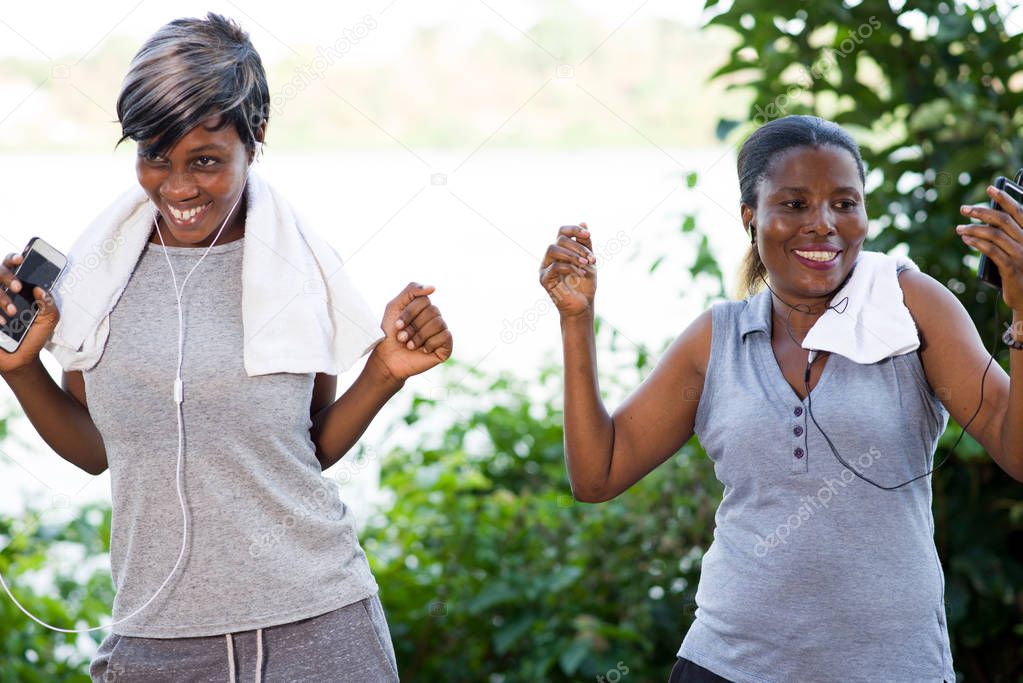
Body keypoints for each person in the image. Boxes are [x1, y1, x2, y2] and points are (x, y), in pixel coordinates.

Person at [0, 13, 452, 682]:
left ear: (255, 138)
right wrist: (18, 370)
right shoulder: (98, 275)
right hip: (155, 643)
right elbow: (100, 451)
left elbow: (308, 449)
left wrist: (384, 370)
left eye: (205, 161)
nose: (177, 187)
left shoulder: (298, 268)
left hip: (320, 632)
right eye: (155, 156)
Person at [539, 114, 1022, 682]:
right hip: (729, 666)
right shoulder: (718, 338)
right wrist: (577, 320)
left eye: (845, 203)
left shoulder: (909, 308)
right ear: (751, 217)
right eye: (794, 204)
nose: (823, 225)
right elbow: (597, 475)